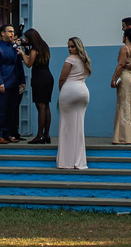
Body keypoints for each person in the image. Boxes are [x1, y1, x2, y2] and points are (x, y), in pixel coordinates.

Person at [57, 36, 92, 169]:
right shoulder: (85, 60)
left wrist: (62, 91)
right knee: (79, 127)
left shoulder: (70, 59)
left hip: (70, 91)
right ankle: (79, 160)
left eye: (72, 46)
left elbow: (62, 78)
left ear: (78, 47)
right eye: (69, 47)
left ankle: (66, 161)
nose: (70, 49)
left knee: (66, 127)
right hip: (83, 92)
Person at [0, 24, 26, 143]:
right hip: (3, 83)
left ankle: (7, 133)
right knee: (1, 110)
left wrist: (22, 81)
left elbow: (18, 64)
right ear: (2, 33)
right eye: (9, 31)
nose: (12, 34)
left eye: (13, 31)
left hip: (14, 83)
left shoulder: (14, 47)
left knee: (11, 110)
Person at [22, 28, 55, 144]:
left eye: (26, 38)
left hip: (39, 78)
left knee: (40, 107)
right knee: (46, 106)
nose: (26, 40)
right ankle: (46, 135)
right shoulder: (44, 46)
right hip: (48, 76)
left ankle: (39, 135)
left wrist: (22, 54)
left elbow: (29, 64)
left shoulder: (34, 49)